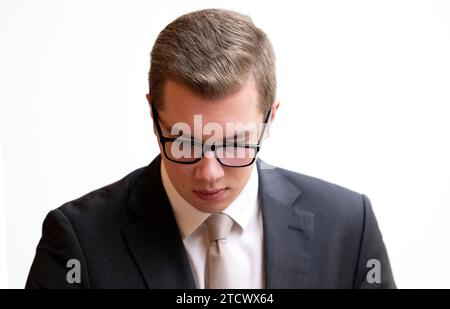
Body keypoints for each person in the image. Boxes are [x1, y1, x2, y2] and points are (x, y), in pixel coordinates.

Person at [26, 8, 395, 289]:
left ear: (270, 119)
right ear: (154, 118)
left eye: (234, 143)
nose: (209, 173)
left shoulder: (349, 225)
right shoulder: (78, 240)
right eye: (185, 141)